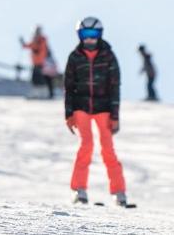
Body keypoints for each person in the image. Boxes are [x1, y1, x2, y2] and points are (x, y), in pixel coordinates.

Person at [64, 17, 128, 207]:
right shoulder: (75, 57)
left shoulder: (108, 56)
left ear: (100, 35)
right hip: (81, 106)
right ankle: (79, 190)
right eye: (85, 35)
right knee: (86, 145)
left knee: (107, 148)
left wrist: (115, 116)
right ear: (80, 36)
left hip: (103, 107)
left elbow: (115, 86)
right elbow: (68, 87)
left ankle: (119, 193)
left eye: (93, 35)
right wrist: (69, 114)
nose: (89, 39)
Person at [20, 25, 53, 98]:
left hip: (40, 63)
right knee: (35, 79)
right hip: (35, 63)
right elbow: (29, 46)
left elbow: (37, 47)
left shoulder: (42, 40)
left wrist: (32, 45)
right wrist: (23, 43)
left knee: (39, 79)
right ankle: (37, 93)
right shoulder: (36, 40)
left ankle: (43, 93)